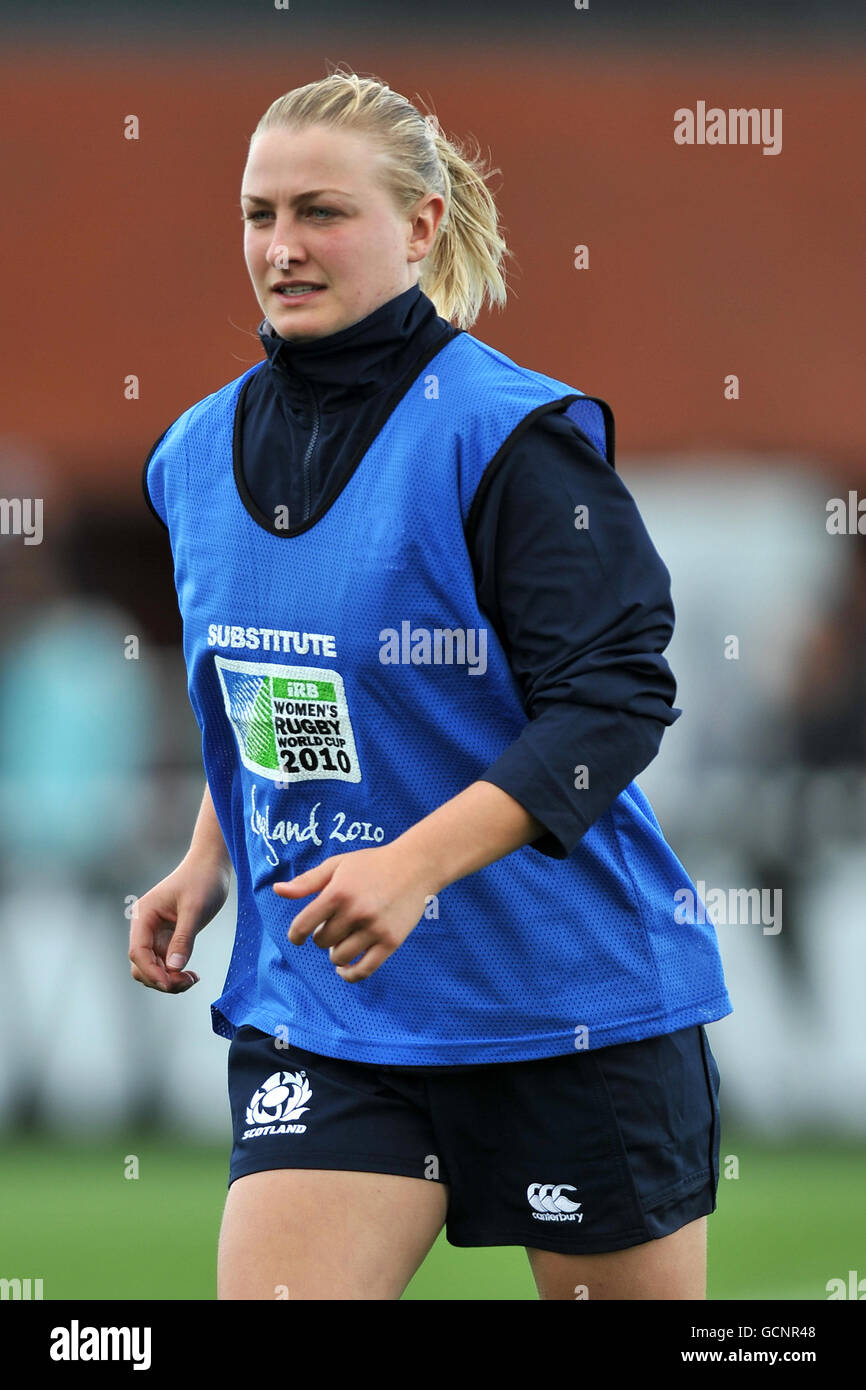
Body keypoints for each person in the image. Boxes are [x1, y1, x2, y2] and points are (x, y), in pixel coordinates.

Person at [131, 64, 732, 1301]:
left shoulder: (509, 438)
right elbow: (284, 684)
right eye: (258, 215)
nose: (281, 247)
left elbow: (614, 702)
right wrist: (212, 852)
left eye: (319, 212)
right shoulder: (190, 453)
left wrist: (413, 866)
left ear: (418, 225)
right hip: (336, 1007)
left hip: (567, 1004)